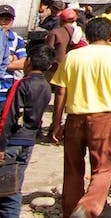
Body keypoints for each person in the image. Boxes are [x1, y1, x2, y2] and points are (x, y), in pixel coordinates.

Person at [51, 16, 111, 218]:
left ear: (87, 35)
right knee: (104, 168)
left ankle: (70, 211)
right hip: (103, 117)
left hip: (74, 117)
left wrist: (57, 123)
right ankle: (88, 207)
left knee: (72, 169)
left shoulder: (73, 56)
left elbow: (61, 92)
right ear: (109, 35)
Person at [0, 44, 54, 218]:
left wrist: (1, 145)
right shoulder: (46, 87)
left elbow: (8, 116)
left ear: (28, 62)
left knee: (6, 190)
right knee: (14, 184)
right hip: (28, 142)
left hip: (12, 142)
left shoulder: (21, 85)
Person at [0, 5, 26, 112]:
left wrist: (3, 62)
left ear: (12, 21)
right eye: (1, 18)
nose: (4, 22)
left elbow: (23, 63)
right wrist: (10, 58)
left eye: (7, 19)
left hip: (7, 90)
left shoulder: (17, 39)